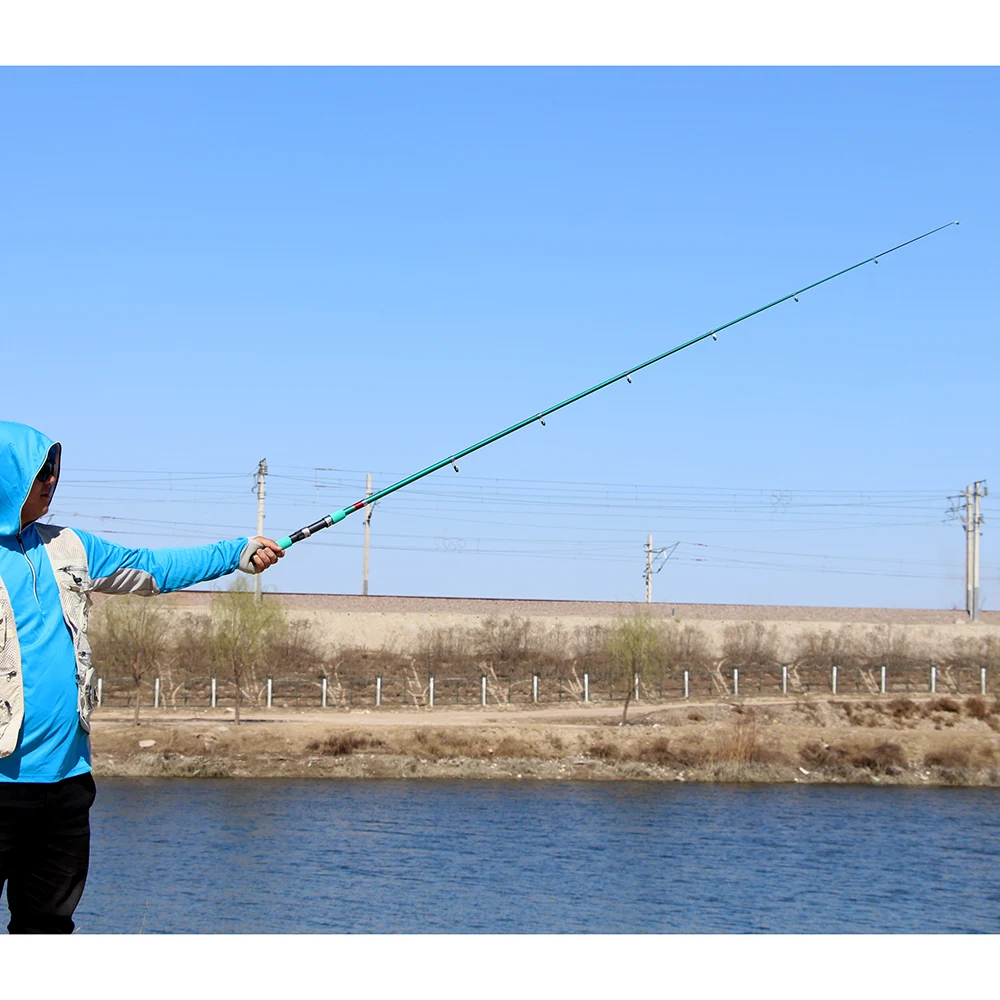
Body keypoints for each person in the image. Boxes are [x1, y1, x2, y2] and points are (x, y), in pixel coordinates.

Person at [0, 420, 283, 933]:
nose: (51, 480)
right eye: (40, 471)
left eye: (55, 468)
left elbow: (151, 567)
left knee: (47, 929)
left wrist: (235, 553)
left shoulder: (69, 546)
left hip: (66, 786)